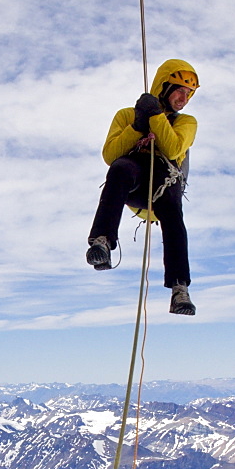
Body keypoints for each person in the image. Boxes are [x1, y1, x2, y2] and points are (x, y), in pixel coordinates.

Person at [85, 59, 199, 315]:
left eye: (189, 93)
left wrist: (155, 117)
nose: (184, 98)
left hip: (161, 185)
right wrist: (137, 125)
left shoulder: (186, 123)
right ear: (165, 87)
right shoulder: (127, 115)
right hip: (134, 181)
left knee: (172, 207)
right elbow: (111, 155)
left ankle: (179, 288)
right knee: (121, 168)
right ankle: (102, 242)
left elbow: (172, 149)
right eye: (180, 90)